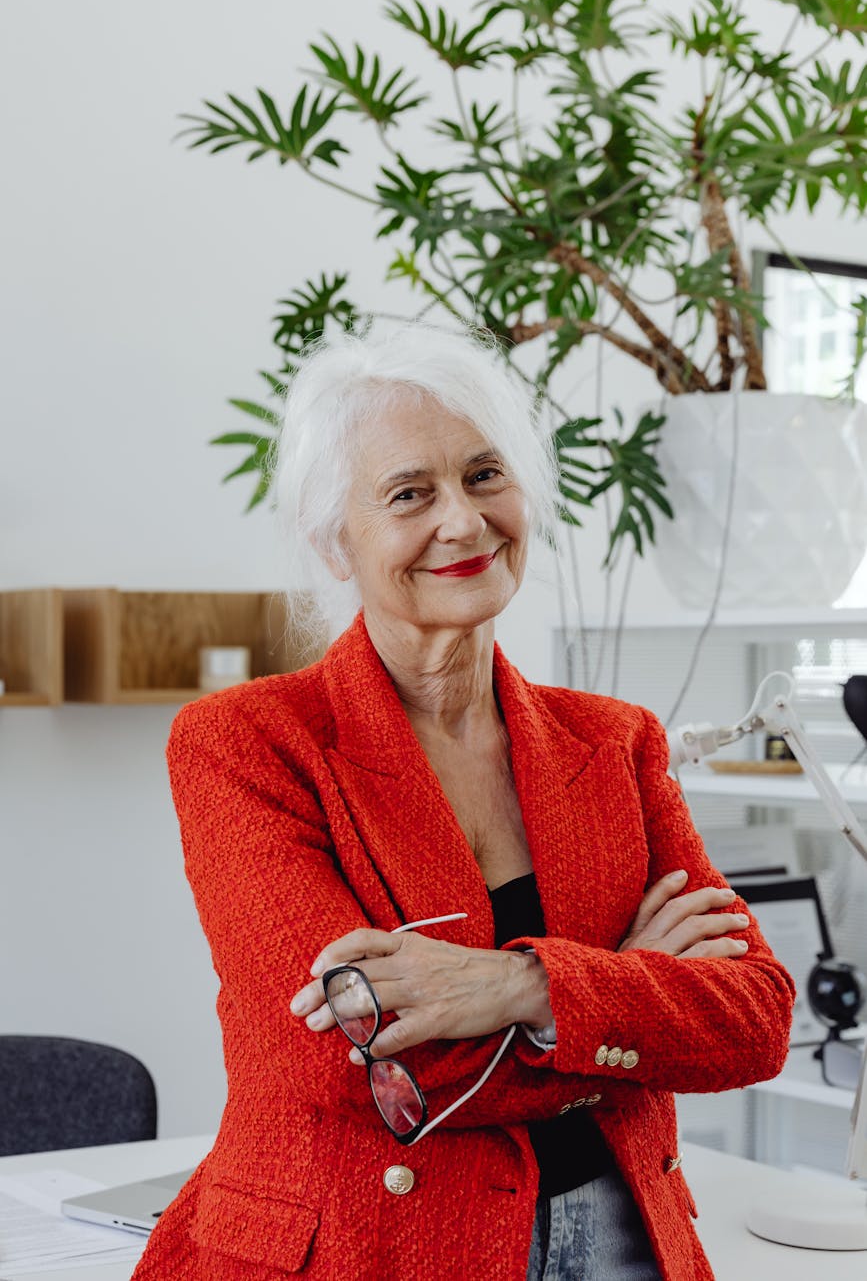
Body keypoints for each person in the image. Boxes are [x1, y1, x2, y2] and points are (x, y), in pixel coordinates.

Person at [131, 322, 794, 1281]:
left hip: (622, 1238)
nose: (464, 522)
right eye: (410, 493)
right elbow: (351, 1064)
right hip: (365, 1249)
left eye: (485, 476)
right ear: (335, 543)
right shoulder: (248, 742)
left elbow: (754, 1019)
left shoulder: (617, 741)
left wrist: (518, 987)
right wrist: (624, 1001)